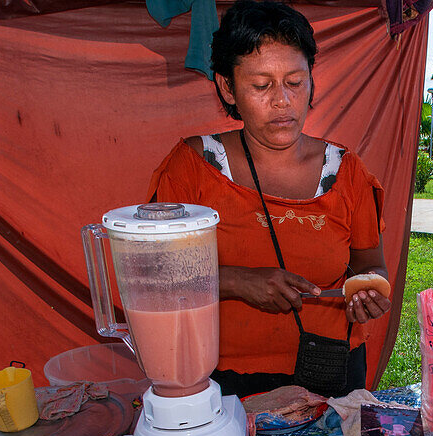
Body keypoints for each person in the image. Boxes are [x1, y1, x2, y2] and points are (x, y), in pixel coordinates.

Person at [148, 0, 391, 398]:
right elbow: (154, 278)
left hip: (331, 370)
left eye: (295, 82)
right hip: (221, 381)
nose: (282, 101)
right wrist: (237, 281)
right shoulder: (191, 168)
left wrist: (367, 293)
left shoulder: (347, 172)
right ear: (227, 87)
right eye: (261, 86)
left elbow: (370, 265)